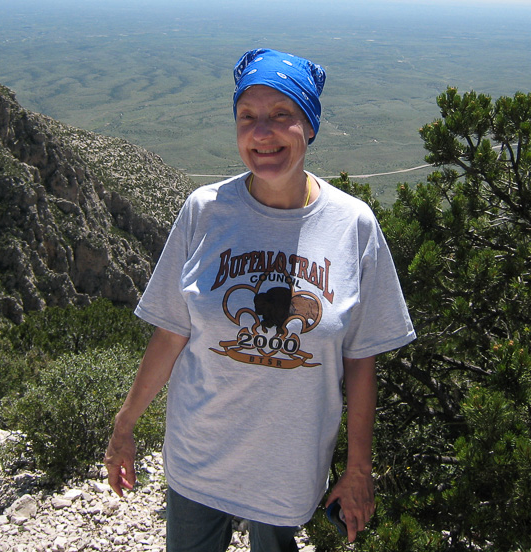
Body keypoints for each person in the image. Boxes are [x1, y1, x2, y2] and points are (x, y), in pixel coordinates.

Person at [104, 48, 415, 552]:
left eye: (281, 116)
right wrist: (125, 425)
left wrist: (359, 470)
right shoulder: (205, 211)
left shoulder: (353, 226)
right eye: (247, 117)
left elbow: (361, 361)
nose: (262, 133)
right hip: (198, 457)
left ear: (309, 126)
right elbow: (170, 333)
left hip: (288, 468)